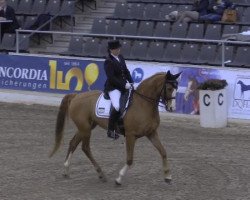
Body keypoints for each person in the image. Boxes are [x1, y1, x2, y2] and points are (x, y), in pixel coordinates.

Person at [104, 40, 134, 140]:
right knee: (117, 107)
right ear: (111, 50)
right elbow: (111, 77)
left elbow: (125, 71)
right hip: (113, 88)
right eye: (117, 48)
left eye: (119, 48)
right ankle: (110, 130)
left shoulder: (120, 57)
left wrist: (131, 81)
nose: (119, 50)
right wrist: (123, 85)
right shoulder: (108, 61)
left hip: (124, 85)